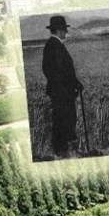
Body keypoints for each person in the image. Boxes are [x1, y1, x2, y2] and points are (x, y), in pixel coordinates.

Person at [42, 15, 83, 159]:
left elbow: (50, 70)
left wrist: (75, 82)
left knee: (60, 121)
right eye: (64, 30)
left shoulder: (51, 44)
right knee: (67, 121)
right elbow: (63, 72)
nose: (66, 32)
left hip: (58, 91)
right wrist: (72, 85)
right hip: (63, 93)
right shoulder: (56, 46)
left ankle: (61, 152)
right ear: (59, 30)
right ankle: (67, 153)